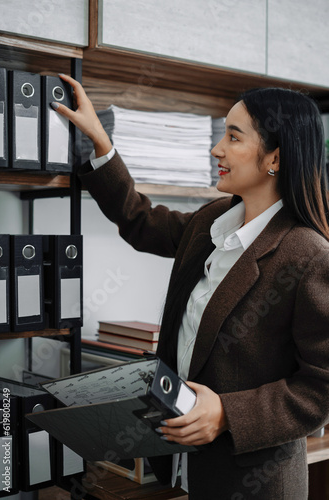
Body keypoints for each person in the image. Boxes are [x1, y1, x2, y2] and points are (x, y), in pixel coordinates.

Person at [52, 75, 329, 499]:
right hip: (182, 467)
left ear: (274, 157)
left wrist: (227, 413)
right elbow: (140, 222)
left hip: (252, 483)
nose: (216, 149)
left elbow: (320, 387)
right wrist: (102, 144)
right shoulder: (212, 221)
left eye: (233, 137)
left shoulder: (308, 255)